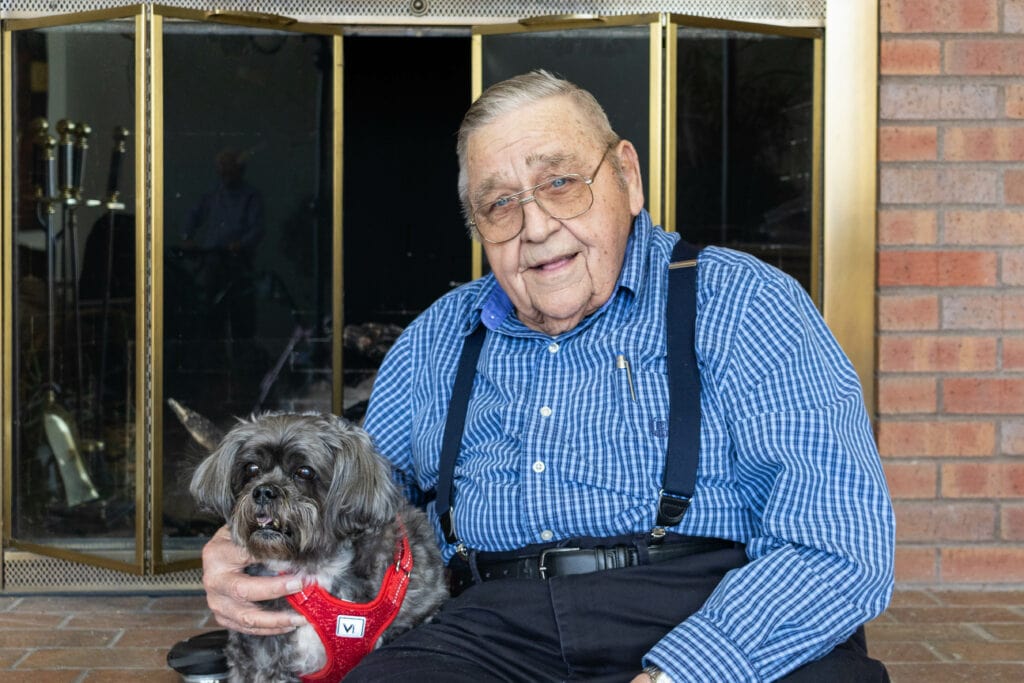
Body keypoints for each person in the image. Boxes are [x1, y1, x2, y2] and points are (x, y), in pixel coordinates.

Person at [200, 70, 894, 682]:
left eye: (560, 181)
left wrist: (688, 671)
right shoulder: (437, 337)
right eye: (500, 203)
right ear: (478, 226)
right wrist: (243, 543)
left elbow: (837, 544)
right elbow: (358, 509)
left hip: (714, 605)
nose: (534, 225)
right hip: (490, 626)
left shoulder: (743, 302)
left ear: (627, 175)